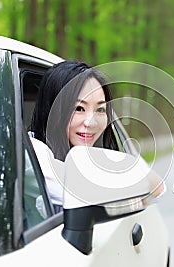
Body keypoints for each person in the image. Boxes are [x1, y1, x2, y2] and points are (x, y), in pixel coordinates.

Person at [28, 60, 118, 212]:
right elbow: (83, 193)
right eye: (79, 108)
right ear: (53, 110)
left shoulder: (96, 158)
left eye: (100, 110)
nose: (91, 122)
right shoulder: (31, 152)